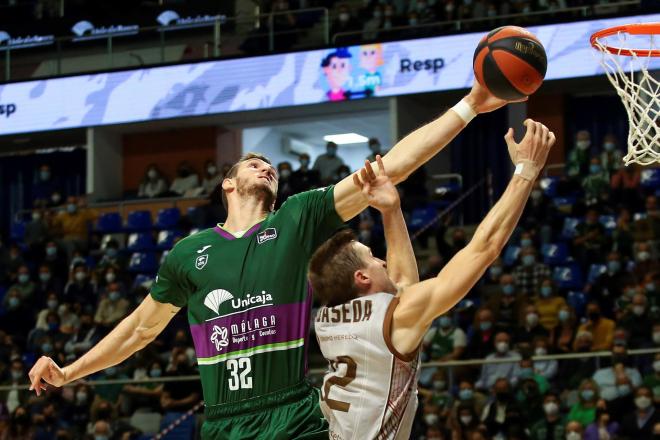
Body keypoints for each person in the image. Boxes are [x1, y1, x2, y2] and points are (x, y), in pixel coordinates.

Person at [28, 81, 533, 439]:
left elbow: (392, 167)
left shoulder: (297, 217)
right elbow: (139, 331)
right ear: (227, 183)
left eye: (269, 164)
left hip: (292, 415)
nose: (265, 165)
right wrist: (71, 372)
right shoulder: (188, 254)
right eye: (253, 162)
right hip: (223, 420)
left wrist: (470, 105)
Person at [313, 121, 554, 438]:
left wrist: (392, 210)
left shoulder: (326, 320)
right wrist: (526, 171)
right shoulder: (397, 316)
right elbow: (484, 248)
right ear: (361, 277)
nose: (382, 260)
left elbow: (401, 288)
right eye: (373, 258)